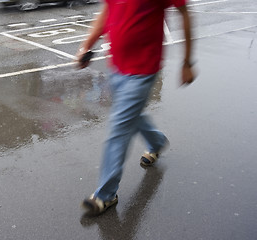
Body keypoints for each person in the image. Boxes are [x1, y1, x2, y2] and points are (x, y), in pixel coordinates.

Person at [76, 0, 195, 216]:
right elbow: (107, 11)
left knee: (119, 127)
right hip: (117, 66)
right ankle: (157, 142)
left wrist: (187, 62)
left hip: (143, 69)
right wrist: (87, 45)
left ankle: (106, 195)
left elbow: (185, 13)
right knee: (130, 114)